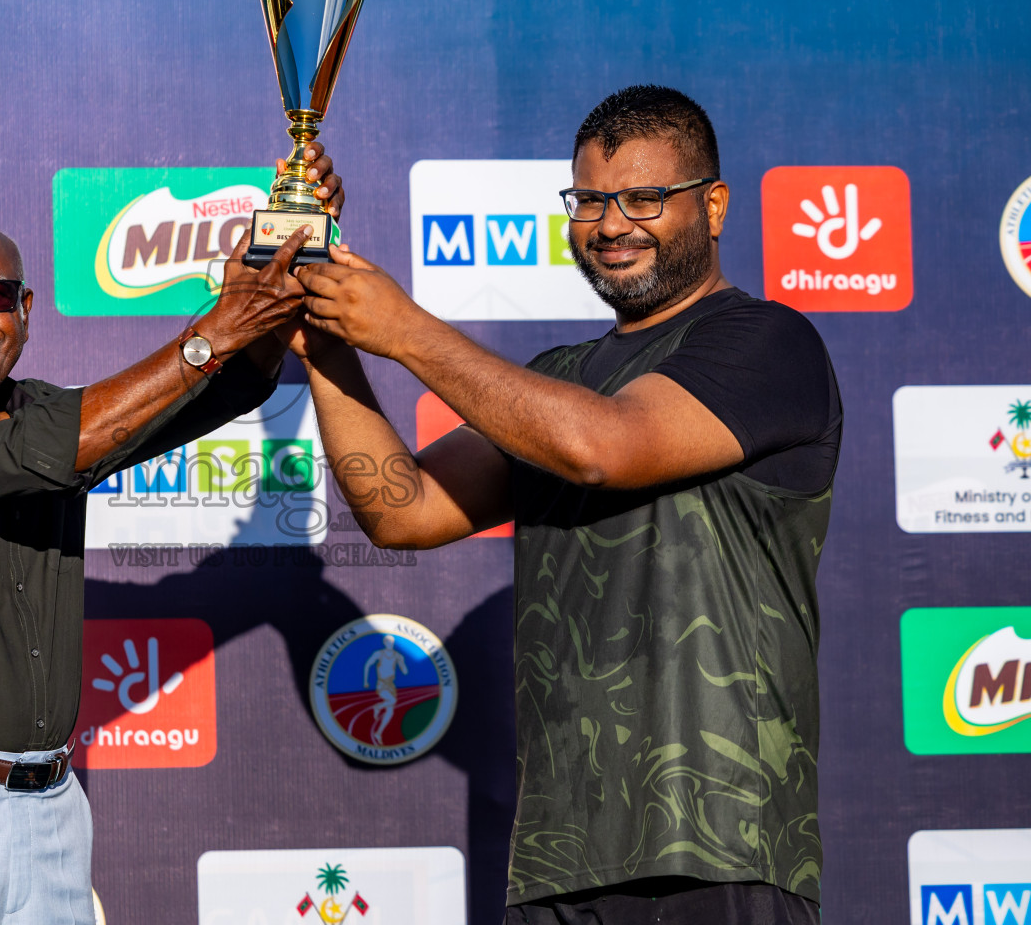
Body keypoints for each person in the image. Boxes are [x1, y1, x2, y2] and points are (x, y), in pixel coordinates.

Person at [287, 85, 840, 924]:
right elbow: (402, 509)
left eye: (645, 198)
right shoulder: (557, 378)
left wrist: (402, 328)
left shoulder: (768, 342)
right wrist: (327, 330)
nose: (612, 224)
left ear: (715, 205)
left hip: (719, 848)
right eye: (589, 200)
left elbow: (603, 448)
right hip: (560, 861)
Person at [0, 149, 344, 924]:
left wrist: (288, 244)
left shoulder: (52, 417)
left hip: (51, 807)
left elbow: (224, 386)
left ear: (26, 309)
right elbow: (48, 448)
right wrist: (212, 332)